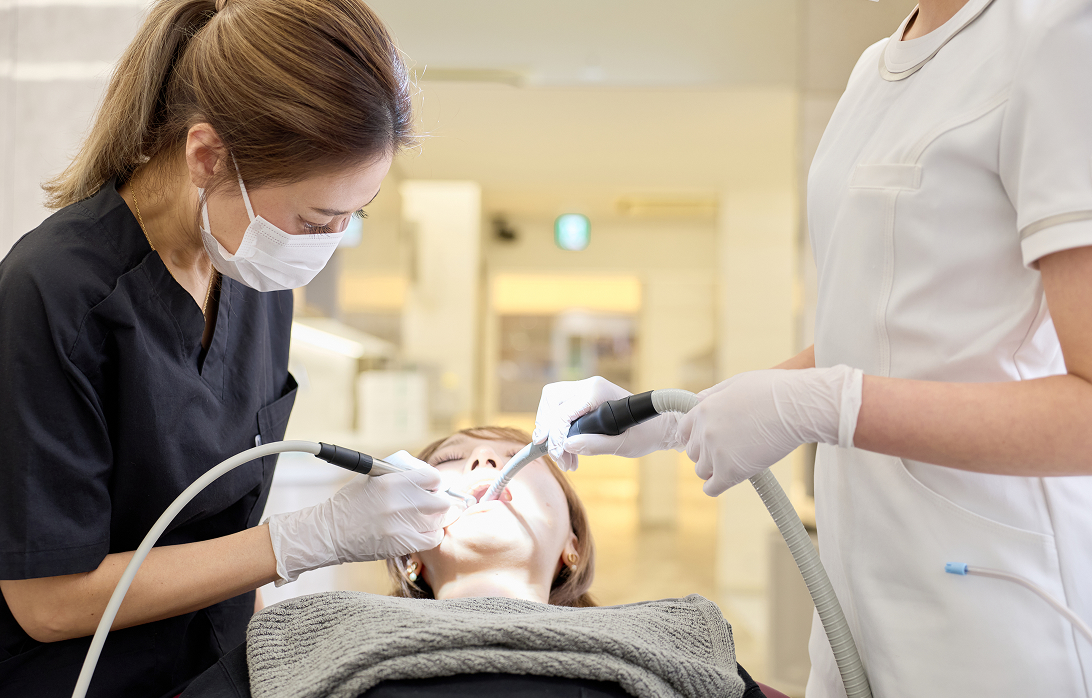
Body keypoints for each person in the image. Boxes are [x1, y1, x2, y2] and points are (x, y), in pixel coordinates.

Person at [533, 1, 1092, 697]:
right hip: (855, 607)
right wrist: (672, 418)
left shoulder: (1054, 37)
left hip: (997, 614)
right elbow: (878, 338)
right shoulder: (871, 72)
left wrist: (825, 404)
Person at [0, 1, 464, 695]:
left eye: (350, 217)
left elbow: (221, 525)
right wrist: (304, 540)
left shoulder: (255, 279)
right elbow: (48, 601)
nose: (327, 243)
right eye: (316, 218)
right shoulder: (56, 293)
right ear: (208, 156)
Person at [183, 427, 779, 698]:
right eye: (454, 457)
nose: (483, 467)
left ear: (572, 543)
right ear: (407, 553)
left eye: (515, 457)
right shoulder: (310, 630)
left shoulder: (676, 633)